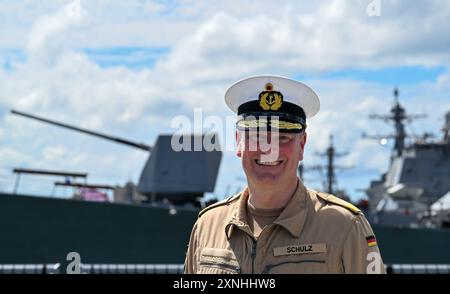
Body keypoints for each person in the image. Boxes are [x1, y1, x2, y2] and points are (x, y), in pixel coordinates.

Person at [184, 75, 385, 274]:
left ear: (302, 145)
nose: (269, 149)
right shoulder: (207, 225)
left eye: (283, 137)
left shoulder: (344, 226)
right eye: (257, 136)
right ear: (238, 141)